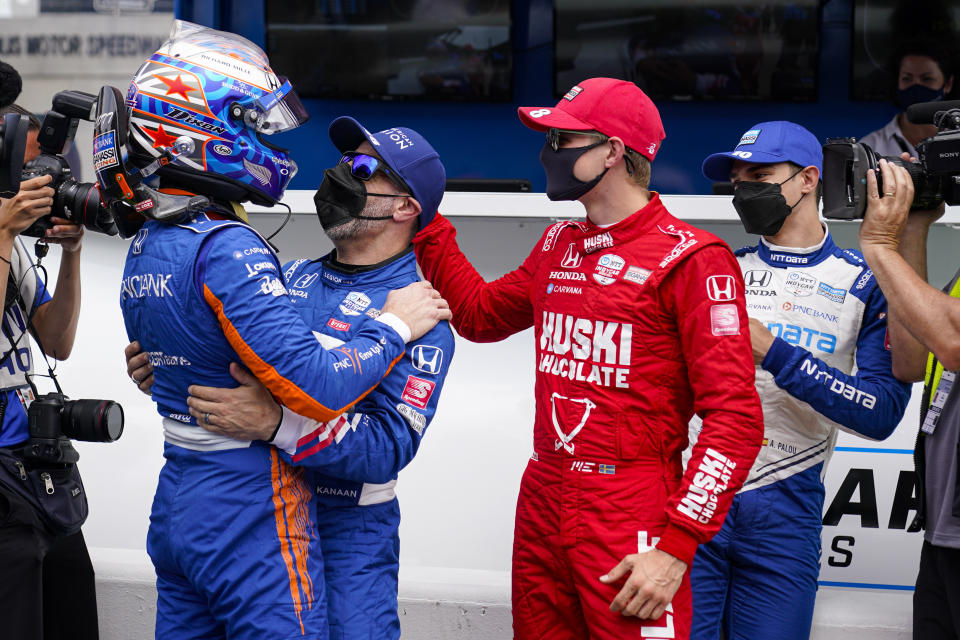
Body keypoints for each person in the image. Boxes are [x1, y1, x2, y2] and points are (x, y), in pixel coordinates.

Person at [117, 22, 449, 639]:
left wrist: (276, 424)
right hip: (255, 512)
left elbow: (385, 450)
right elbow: (238, 368)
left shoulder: (420, 313)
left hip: (347, 532)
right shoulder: (284, 273)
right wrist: (173, 365)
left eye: (366, 169)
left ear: (407, 207)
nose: (343, 174)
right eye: (346, 160)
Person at [412, 77, 764, 639]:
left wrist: (675, 547)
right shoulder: (558, 243)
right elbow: (479, 316)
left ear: (613, 151)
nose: (549, 151)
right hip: (544, 491)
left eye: (563, 138)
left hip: (633, 505)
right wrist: (425, 221)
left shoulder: (693, 259)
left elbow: (736, 420)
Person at [690, 121, 912, 640]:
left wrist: (776, 353)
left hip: (786, 505)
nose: (745, 188)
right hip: (697, 494)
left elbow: (880, 414)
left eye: (760, 174)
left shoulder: (863, 282)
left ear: (808, 179)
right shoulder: (715, 271)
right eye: (738, 178)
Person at [0, 106, 95, 638]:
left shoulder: (12, 242)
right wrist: (4, 235)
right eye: (23, 165)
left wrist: (72, 254)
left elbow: (57, 341)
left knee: (72, 614)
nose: (33, 182)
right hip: (3, 493)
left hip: (35, 469)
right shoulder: (4, 237)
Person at [859, 152, 960, 636]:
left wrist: (879, 244)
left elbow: (955, 344)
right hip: (944, 530)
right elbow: (911, 361)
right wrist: (913, 227)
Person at [860, 39, 955, 158]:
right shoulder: (871, 147)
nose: (915, 86)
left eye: (927, 79)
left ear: (948, 84)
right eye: (907, 79)